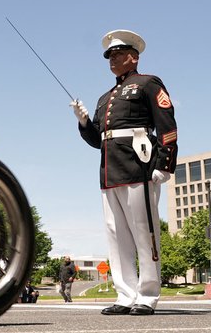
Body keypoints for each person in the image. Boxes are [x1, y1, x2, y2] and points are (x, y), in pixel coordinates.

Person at [71, 30, 178, 316]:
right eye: (109, 55)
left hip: (139, 165)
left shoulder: (148, 83)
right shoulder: (105, 98)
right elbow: (98, 140)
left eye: (118, 53)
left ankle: (147, 294)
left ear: (134, 56)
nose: (112, 58)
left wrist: (164, 165)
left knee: (144, 232)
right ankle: (125, 293)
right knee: (116, 235)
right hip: (110, 170)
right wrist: (83, 123)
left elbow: (167, 124)